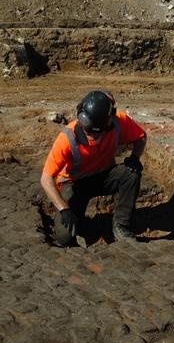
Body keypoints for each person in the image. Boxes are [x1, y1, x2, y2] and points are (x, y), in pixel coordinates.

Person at [40, 90, 147, 246]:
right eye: (87, 131)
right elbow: (46, 178)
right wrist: (64, 208)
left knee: (130, 173)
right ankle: (80, 220)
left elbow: (141, 136)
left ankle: (121, 226)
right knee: (65, 238)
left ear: (108, 123)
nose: (91, 137)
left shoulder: (118, 122)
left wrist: (135, 158)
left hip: (102, 176)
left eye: (96, 133)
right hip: (74, 184)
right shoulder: (67, 138)